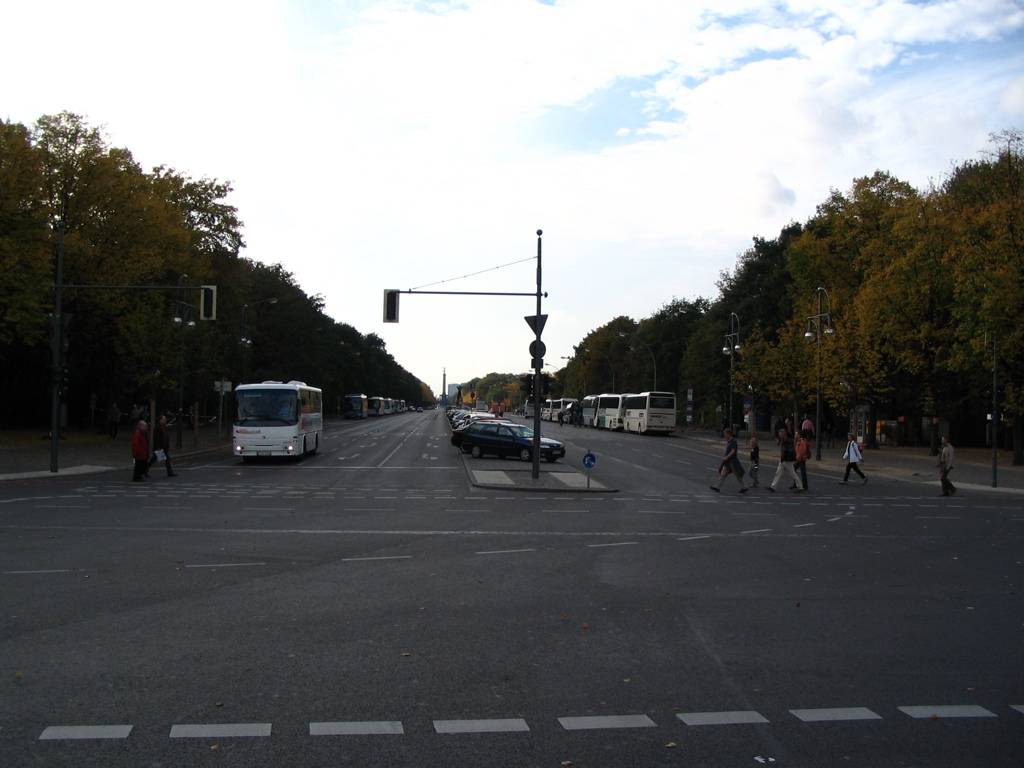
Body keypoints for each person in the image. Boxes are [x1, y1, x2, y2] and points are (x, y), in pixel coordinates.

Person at [710, 427, 749, 493]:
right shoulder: (728, 441)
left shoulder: (733, 441)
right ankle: (717, 487)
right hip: (727, 462)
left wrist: (727, 457)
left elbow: (733, 451)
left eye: (725, 434)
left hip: (733, 461)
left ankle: (744, 487)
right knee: (723, 474)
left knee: (737, 474)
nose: (724, 435)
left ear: (728, 434)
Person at [768, 427, 802, 492]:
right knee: (778, 473)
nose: (779, 435)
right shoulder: (783, 440)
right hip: (783, 460)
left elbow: (789, 450)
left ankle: (800, 487)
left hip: (787, 460)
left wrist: (784, 453)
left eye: (780, 434)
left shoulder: (788, 441)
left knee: (792, 473)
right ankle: (772, 487)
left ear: (783, 434)